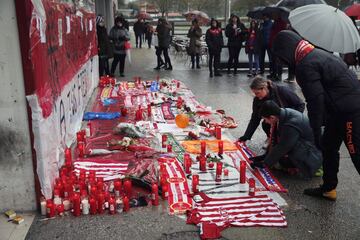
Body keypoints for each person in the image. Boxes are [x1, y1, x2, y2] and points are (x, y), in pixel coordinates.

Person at [272, 30, 360, 201]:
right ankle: (328, 189)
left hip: (350, 111)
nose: (280, 61)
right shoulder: (313, 54)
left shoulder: (306, 64)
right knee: (328, 147)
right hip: (337, 110)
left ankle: (329, 187)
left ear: (286, 51)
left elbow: (315, 100)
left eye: (279, 56)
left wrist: (315, 128)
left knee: (356, 153)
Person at [250, 101, 322, 178]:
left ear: (272, 117)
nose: (266, 122)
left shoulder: (291, 124)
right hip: (305, 144)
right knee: (276, 157)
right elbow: (276, 141)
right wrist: (264, 157)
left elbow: (283, 146)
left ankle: (311, 166)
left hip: (312, 152)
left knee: (281, 161)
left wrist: (265, 163)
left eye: (265, 119)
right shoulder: (283, 113)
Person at [239, 76, 305, 144]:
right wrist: (246, 136)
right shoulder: (257, 99)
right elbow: (255, 118)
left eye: (257, 93)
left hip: (288, 119)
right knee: (265, 123)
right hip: (275, 120)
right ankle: (271, 138)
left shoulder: (282, 91)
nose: (256, 95)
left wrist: (293, 120)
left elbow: (301, 104)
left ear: (264, 88)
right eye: (255, 94)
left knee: (284, 141)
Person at [268, 15, 287, 81]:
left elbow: (280, 32)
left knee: (278, 60)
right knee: (273, 60)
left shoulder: (282, 22)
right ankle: (274, 73)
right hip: (273, 43)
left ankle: (279, 75)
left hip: (278, 43)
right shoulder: (275, 22)